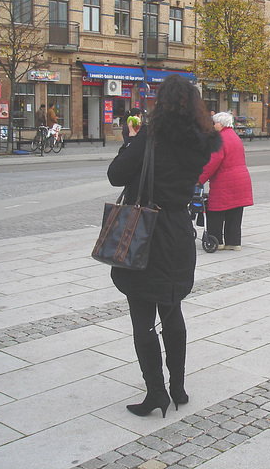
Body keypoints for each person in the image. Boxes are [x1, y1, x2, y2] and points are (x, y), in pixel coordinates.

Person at [107, 74, 222, 418]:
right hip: (178, 232)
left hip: (146, 233)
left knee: (142, 317)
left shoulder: (150, 136)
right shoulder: (200, 142)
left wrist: (130, 141)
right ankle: (179, 387)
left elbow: (116, 175)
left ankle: (156, 391)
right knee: (172, 310)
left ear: (162, 103)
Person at [199, 112, 253, 251]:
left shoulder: (220, 139)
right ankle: (233, 242)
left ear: (221, 124)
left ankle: (216, 240)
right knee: (234, 213)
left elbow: (212, 163)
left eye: (214, 123)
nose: (213, 125)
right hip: (241, 180)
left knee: (216, 211)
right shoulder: (234, 136)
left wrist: (199, 179)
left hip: (225, 182)